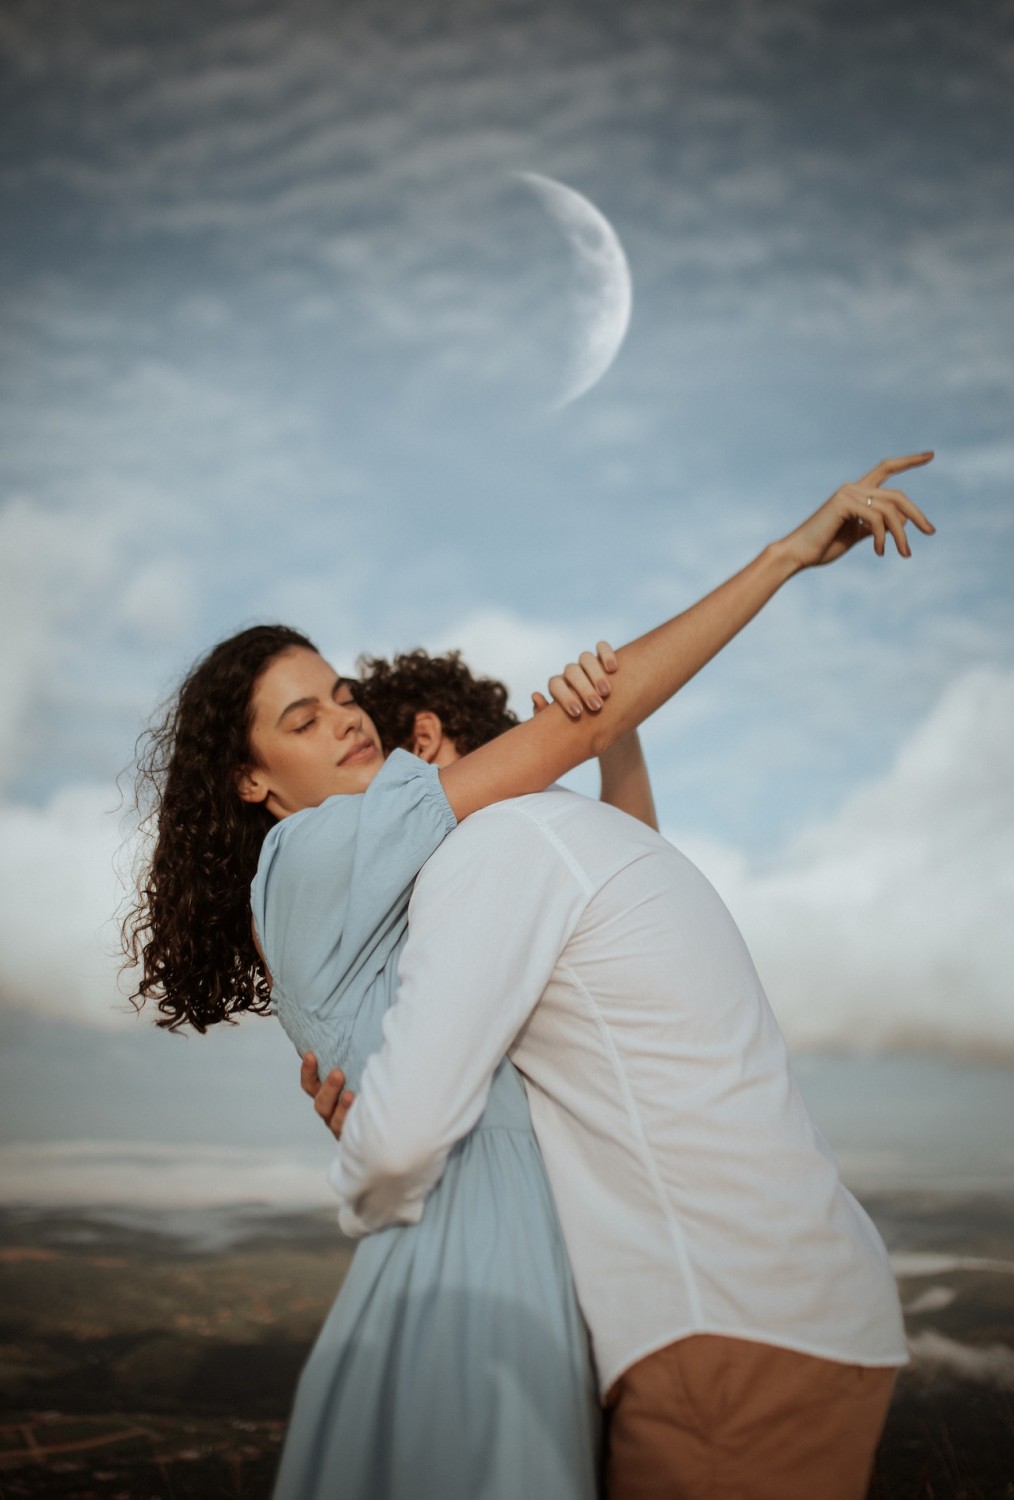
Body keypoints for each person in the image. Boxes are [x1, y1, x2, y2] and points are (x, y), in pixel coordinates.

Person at [123, 453, 933, 1500]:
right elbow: (566, 748)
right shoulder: (317, 851)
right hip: (495, 1264)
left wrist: (617, 738)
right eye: (304, 720)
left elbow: (606, 879)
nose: (347, 722)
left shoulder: (451, 875)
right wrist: (781, 558)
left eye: (344, 698)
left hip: (575, 1284)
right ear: (248, 779)